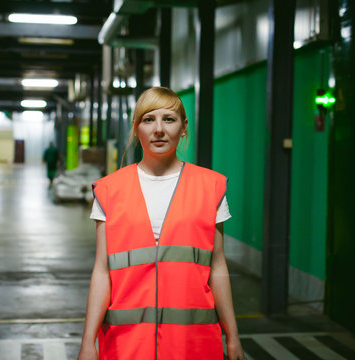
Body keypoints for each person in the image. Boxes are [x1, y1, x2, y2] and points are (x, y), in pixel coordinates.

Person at [78, 87, 245, 360]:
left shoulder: (210, 187)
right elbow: (101, 271)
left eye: (169, 119)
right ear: (136, 128)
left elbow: (217, 266)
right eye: (148, 119)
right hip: (127, 346)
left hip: (193, 346)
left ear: (183, 128)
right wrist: (88, 343)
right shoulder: (110, 190)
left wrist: (233, 336)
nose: (158, 129)